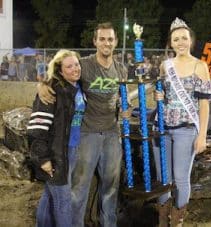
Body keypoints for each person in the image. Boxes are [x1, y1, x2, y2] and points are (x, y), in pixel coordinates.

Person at [38, 22, 127, 227]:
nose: (107, 43)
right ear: (95, 41)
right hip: (87, 134)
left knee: (111, 188)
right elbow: (59, 73)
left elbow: (121, 98)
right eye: (102, 39)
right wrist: (42, 84)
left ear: (116, 42)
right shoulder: (84, 65)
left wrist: (125, 107)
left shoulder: (121, 68)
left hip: (112, 134)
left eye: (110, 39)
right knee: (79, 189)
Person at [153, 17, 211, 227]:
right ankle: (163, 220)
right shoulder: (164, 66)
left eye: (184, 38)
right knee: (163, 179)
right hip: (162, 129)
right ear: (171, 42)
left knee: (180, 179)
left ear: (191, 41)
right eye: (176, 39)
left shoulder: (200, 66)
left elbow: (204, 104)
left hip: (186, 131)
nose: (180, 42)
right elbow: (161, 95)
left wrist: (202, 135)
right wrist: (158, 96)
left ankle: (177, 221)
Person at [27, 49, 85, 227]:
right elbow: (36, 129)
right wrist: (43, 159)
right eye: (69, 66)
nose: (75, 68)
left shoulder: (79, 86)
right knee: (63, 200)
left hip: (72, 150)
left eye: (76, 64)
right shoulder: (52, 90)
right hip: (56, 153)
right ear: (60, 71)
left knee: (50, 196)